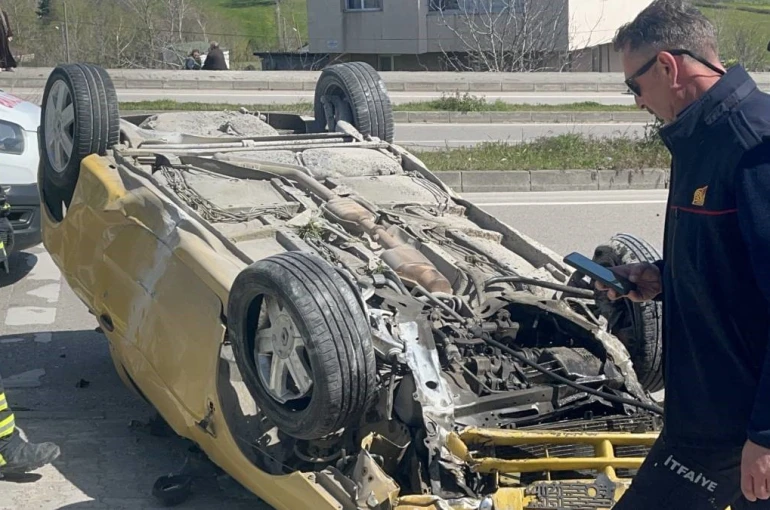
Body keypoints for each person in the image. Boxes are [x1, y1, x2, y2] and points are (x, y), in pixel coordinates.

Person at [597, 0, 770, 508]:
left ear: (668, 67)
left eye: (634, 86)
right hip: (704, 418)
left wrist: (765, 437)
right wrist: (661, 278)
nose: (637, 103)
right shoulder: (699, 138)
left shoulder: (753, 146)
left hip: (740, 428)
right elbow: (733, 265)